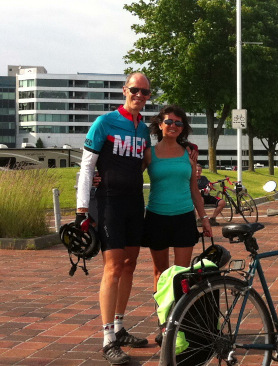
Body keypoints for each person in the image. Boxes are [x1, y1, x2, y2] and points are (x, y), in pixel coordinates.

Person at [76, 72, 152, 365]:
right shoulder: (104, 122)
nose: (140, 96)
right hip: (108, 203)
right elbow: (86, 167)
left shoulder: (143, 129)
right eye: (135, 90)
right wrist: (82, 209)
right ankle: (108, 339)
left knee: (130, 265)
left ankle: (119, 327)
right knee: (113, 267)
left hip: (135, 202)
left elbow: (143, 165)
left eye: (145, 92)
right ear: (124, 90)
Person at [142, 105, 214, 292]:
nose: (173, 125)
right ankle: (163, 318)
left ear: (182, 128)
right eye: (168, 121)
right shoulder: (149, 153)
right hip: (156, 218)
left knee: (181, 274)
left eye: (178, 123)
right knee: (160, 272)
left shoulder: (188, 155)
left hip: (184, 218)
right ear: (160, 125)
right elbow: (130, 178)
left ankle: (178, 318)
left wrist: (204, 218)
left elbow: (194, 190)